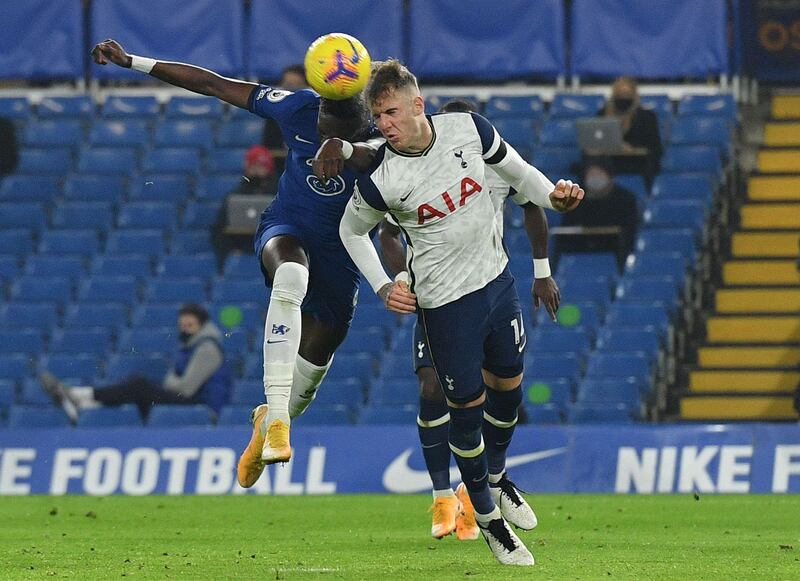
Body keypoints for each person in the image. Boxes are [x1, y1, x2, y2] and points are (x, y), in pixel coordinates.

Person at [91, 39, 380, 487]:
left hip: (344, 254)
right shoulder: (297, 107)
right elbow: (213, 84)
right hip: (288, 226)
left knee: (310, 375)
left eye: (332, 126)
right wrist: (135, 62)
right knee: (289, 274)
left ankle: (269, 420)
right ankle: (279, 421)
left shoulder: (382, 139)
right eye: (321, 120)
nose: (322, 127)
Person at [326, 60, 583, 565]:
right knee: (464, 411)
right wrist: (382, 285)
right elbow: (349, 231)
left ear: (418, 104)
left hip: (497, 284)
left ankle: (496, 477)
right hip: (445, 308)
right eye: (378, 117)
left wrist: (556, 197)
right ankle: (488, 520)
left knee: (509, 388)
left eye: (393, 112)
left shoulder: (469, 129)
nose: (386, 125)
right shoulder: (382, 178)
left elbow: (520, 175)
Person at [378, 99, 560, 542]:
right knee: (432, 386)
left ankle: (487, 481)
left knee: (502, 390)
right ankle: (443, 495)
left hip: (489, 289)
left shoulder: (495, 159)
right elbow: (385, 230)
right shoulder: (416, 170)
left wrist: (542, 271)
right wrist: (400, 278)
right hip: (437, 297)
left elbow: (533, 202)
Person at [41, 304, 232, 421]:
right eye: (182, 326)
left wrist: (169, 381)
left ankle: (79, 395)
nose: (185, 330)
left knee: (139, 385)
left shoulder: (207, 348)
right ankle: (85, 405)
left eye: (190, 326)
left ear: (202, 326)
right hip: (194, 401)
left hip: (205, 406)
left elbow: (186, 388)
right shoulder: (192, 347)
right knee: (141, 394)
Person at [559, 157, 639, 267]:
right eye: (591, 175)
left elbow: (629, 232)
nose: (594, 179)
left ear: (609, 176)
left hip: (614, 252)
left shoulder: (625, 199)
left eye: (598, 174)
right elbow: (568, 230)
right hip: (580, 252)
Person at [211, 144, 280, 268]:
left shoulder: (280, 193)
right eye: (253, 166)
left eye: (261, 166)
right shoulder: (236, 195)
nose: (256, 171)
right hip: (241, 247)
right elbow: (219, 227)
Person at [598, 76, 662, 188]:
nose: (623, 98)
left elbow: (656, 149)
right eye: (620, 94)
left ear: (634, 95)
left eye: (627, 94)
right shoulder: (603, 115)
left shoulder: (647, 117)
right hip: (609, 163)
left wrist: (633, 150)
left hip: (637, 164)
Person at [263, 64, 309, 175]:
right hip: (278, 172)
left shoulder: (316, 116)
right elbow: (267, 149)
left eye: (297, 86)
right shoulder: (272, 116)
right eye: (287, 85)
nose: (291, 90)